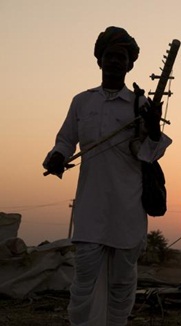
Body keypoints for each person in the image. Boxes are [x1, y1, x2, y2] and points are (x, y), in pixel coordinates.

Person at [43, 26, 172, 325]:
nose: (115, 62)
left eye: (122, 57)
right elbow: (65, 140)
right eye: (110, 56)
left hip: (128, 206)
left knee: (122, 283)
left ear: (130, 64)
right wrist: (57, 157)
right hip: (90, 206)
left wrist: (153, 127)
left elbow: (152, 153)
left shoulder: (140, 105)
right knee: (84, 279)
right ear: (99, 60)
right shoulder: (82, 101)